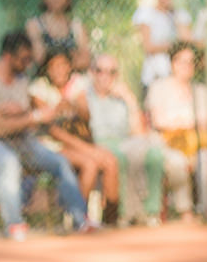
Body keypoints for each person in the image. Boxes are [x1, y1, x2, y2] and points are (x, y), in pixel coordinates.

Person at [0, 31, 90, 241]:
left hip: (19, 139)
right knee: (9, 162)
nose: (28, 63)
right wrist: (33, 117)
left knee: (59, 162)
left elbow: (19, 121)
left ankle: (81, 220)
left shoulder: (22, 80)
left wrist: (22, 114)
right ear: (7, 56)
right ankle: (14, 225)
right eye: (23, 59)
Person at [76, 54, 188, 227]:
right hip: (99, 144)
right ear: (92, 72)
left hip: (126, 142)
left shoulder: (121, 98)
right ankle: (125, 214)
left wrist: (129, 99)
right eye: (99, 71)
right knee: (121, 157)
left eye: (111, 72)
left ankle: (151, 211)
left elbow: (138, 132)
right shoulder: (84, 95)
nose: (105, 76)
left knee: (154, 154)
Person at [29, 49, 120, 225]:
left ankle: (111, 220)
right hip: (51, 146)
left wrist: (73, 105)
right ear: (47, 69)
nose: (59, 70)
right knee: (90, 163)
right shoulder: (38, 88)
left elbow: (86, 115)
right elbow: (52, 130)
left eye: (63, 65)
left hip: (78, 142)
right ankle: (77, 217)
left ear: (69, 67)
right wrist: (86, 149)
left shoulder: (77, 83)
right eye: (54, 67)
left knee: (110, 161)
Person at [145, 42, 207, 222]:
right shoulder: (158, 87)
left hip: (194, 143)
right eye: (181, 61)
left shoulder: (200, 90)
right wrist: (186, 123)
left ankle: (206, 210)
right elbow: (159, 122)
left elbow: (204, 122)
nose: (186, 66)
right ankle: (185, 210)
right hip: (166, 143)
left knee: (205, 159)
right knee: (178, 161)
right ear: (172, 63)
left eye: (190, 62)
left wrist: (179, 122)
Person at [132, 0, 193, 95]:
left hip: (176, 77)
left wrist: (173, 13)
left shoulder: (180, 15)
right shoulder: (145, 14)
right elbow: (149, 46)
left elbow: (186, 43)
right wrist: (174, 45)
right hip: (153, 76)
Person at [25, 0, 91, 72]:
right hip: (43, 82)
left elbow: (85, 61)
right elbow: (39, 58)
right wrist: (71, 57)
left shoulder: (76, 26)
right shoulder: (34, 25)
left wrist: (58, 65)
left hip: (71, 82)